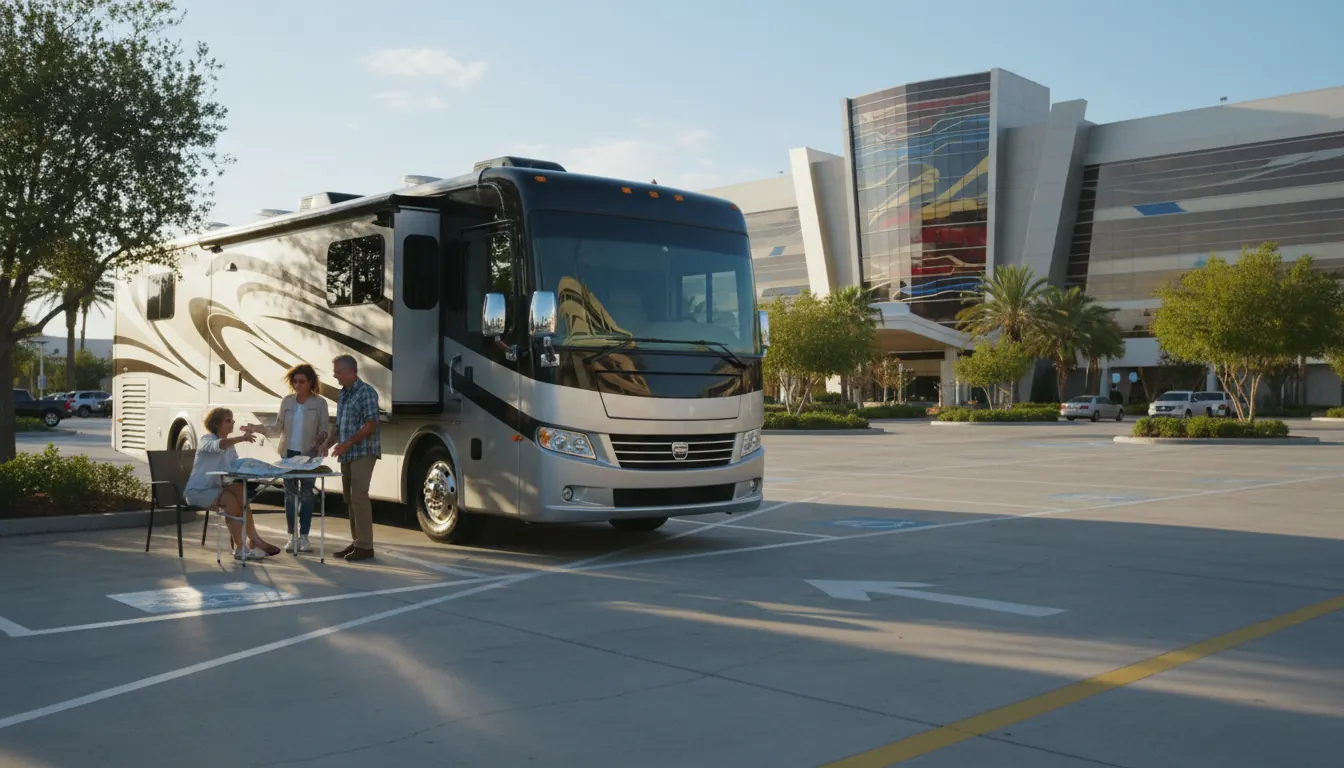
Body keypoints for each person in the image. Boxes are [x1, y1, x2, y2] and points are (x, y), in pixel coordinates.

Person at [243, 363, 330, 553]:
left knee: (306, 496)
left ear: (310, 383)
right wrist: (256, 428)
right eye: (294, 381)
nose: (297, 385)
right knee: (290, 496)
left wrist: (320, 442)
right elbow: (277, 428)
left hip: (309, 455)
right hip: (288, 454)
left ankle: (304, 537)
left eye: (301, 381)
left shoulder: (320, 403)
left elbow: (324, 428)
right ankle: (292, 536)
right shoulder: (287, 401)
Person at [183, 407, 281, 561]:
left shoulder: (230, 446)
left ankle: (254, 540)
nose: (232, 423)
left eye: (233, 420)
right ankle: (241, 548)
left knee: (241, 494)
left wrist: (255, 467)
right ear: (216, 423)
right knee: (231, 502)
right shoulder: (206, 439)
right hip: (198, 491)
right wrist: (241, 438)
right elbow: (219, 445)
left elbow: (233, 467)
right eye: (228, 421)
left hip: (217, 488)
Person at [329, 354, 380, 562]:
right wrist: (328, 442)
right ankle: (357, 541)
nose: (335, 376)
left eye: (338, 372)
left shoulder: (366, 392)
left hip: (363, 451)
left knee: (359, 496)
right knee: (349, 499)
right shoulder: (343, 394)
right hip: (347, 452)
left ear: (351, 372)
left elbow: (370, 424)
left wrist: (349, 442)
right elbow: (340, 425)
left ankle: (366, 546)